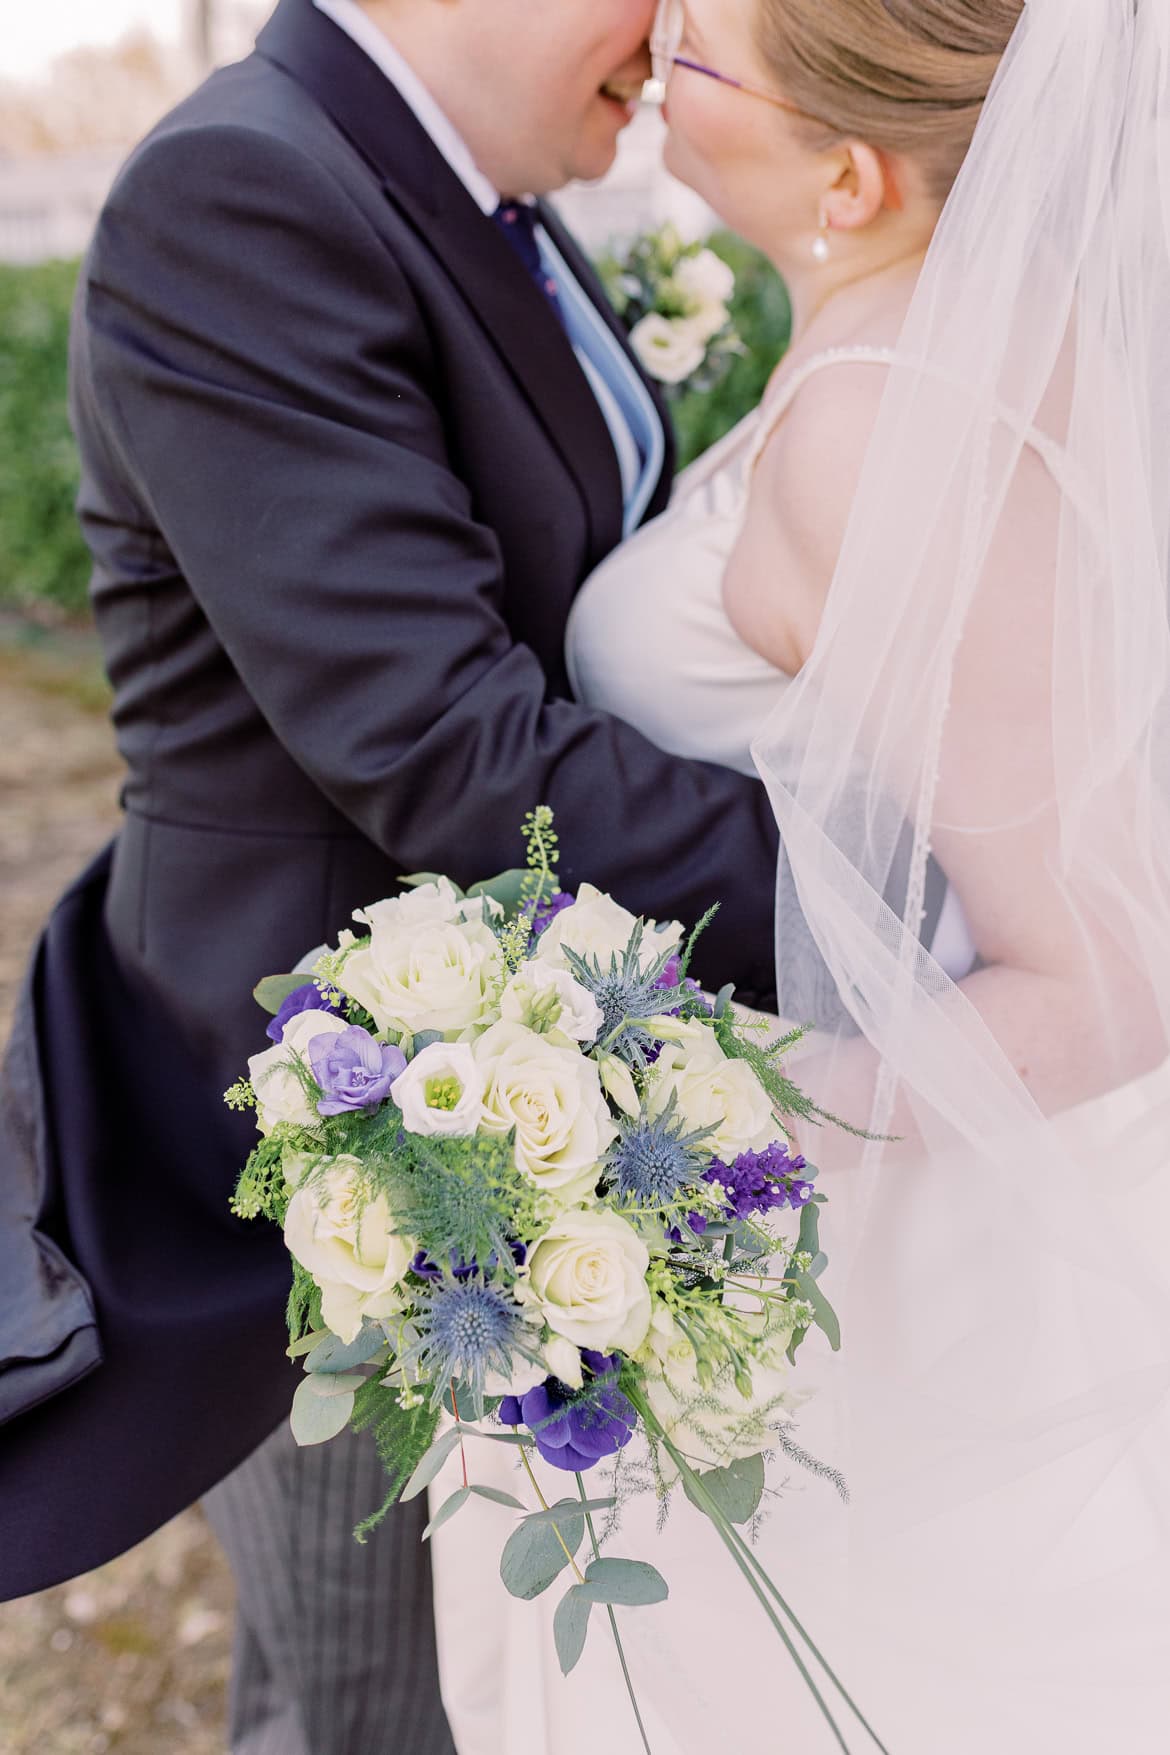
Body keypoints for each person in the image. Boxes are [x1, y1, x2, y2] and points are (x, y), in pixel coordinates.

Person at [0, 0, 792, 1748]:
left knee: (379, 1692)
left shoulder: (466, 193)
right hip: (331, 1116)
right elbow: (441, 740)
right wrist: (871, 898)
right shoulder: (243, 193)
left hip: (508, 1080)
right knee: (372, 1704)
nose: (675, 25)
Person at [428, 1, 1170, 1749]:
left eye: (701, 46)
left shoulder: (881, 428)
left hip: (904, 1241)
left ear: (846, 178)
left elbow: (1103, 973)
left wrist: (665, 1158)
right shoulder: (902, 343)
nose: (656, 31)